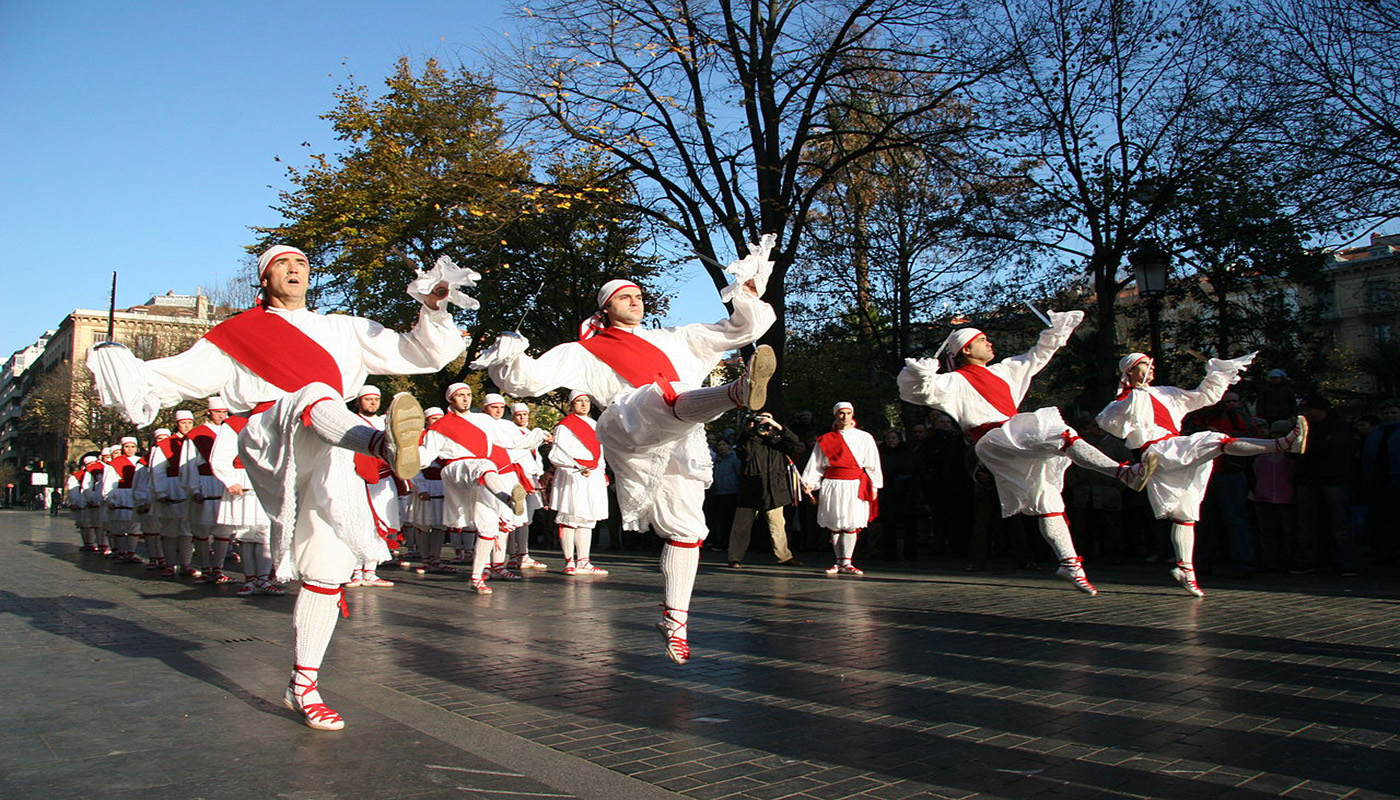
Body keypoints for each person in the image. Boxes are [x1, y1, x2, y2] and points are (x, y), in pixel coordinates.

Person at [88, 243, 468, 731]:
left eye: (302, 264)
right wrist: (119, 362)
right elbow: (172, 378)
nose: (295, 270)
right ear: (264, 278)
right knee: (314, 393)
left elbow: (421, 354)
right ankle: (384, 445)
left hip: (332, 446)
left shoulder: (342, 327)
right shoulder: (235, 334)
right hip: (271, 437)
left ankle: (303, 684)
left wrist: (432, 307)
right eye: (282, 264)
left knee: (327, 567)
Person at [476, 236, 778, 665]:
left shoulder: (675, 337)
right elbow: (526, 381)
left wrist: (746, 291)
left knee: (687, 530)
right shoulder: (580, 352)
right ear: (605, 307)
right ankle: (737, 391)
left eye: (638, 294)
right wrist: (508, 355)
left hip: (681, 438)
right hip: (630, 426)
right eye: (625, 296)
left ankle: (675, 621)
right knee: (660, 396)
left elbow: (739, 330)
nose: (635, 300)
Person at [897, 314, 1153, 596]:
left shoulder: (1003, 370)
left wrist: (1055, 331)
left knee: (1047, 498)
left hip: (1013, 438)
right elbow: (920, 391)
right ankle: (1123, 472)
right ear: (966, 350)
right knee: (1061, 433)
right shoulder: (953, 381)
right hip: (995, 438)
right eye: (982, 340)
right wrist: (921, 374)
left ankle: (1069, 563)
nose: (989, 342)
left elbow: (1036, 356)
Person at [1096, 353, 1307, 596]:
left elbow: (1202, 396)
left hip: (1174, 453)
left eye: (1151, 363)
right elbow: (1109, 422)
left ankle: (1185, 569)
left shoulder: (1166, 392)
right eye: (1145, 364)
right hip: (1157, 451)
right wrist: (1132, 397)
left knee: (1184, 514)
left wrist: (1216, 372)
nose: (1151, 367)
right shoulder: (1124, 399)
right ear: (1130, 371)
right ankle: (1281, 444)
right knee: (1215, 440)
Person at [419, 383, 532, 594]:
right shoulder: (440, 425)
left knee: (489, 527)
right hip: (454, 469)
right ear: (450, 399)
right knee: (485, 465)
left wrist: (538, 436)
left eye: (468, 395)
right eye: (460, 395)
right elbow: (426, 455)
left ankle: (476, 577)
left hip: (482, 477)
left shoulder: (484, 420)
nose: (465, 399)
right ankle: (507, 499)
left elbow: (511, 441)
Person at [802, 402, 883, 575]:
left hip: (854, 484)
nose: (844, 416)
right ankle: (839, 561)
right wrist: (809, 482)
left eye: (848, 413)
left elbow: (873, 463)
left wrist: (875, 485)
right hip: (833, 483)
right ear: (835, 415)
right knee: (835, 522)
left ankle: (848, 561)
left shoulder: (864, 437)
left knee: (850, 521)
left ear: (852, 414)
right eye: (841, 413)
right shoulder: (825, 440)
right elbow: (816, 464)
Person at [1292, 393, 1361, 576]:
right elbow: (1294, 448)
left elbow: (1331, 448)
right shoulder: (1303, 426)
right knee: (1305, 522)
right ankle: (1306, 560)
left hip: (1334, 479)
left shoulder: (1338, 426)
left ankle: (1346, 561)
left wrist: (1308, 448)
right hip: (1308, 478)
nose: (1306, 413)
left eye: (1309, 409)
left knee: (1340, 523)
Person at [727, 411, 804, 568]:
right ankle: (734, 557)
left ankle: (784, 556)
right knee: (741, 526)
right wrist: (748, 429)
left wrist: (779, 428)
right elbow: (741, 451)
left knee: (777, 526)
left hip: (774, 488)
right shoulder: (750, 439)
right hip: (751, 488)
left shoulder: (777, 441)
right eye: (761, 420)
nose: (764, 424)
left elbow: (798, 446)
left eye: (768, 420)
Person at [549, 390, 610, 575]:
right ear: (571, 404)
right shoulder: (565, 426)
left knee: (587, 519)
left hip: (592, 476)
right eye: (579, 401)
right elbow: (557, 453)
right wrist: (575, 467)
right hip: (574, 475)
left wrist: (602, 471)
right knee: (571, 518)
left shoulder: (594, 424)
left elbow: (599, 454)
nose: (584, 405)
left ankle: (584, 561)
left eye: (586, 401)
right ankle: (569, 561)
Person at [347, 385, 398, 588]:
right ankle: (355, 571)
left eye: (376, 399)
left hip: (383, 480)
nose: (373, 403)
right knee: (358, 524)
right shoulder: (351, 421)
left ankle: (371, 571)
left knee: (379, 527)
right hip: (357, 479)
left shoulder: (385, 423)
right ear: (359, 401)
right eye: (368, 399)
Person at [181, 397, 232, 583]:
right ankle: (205, 567)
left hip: (224, 482)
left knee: (223, 529)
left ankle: (218, 568)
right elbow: (188, 464)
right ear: (209, 412)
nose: (222, 415)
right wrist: (193, 488)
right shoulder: (196, 434)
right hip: (205, 481)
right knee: (201, 528)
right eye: (218, 412)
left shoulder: (230, 432)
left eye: (224, 412)